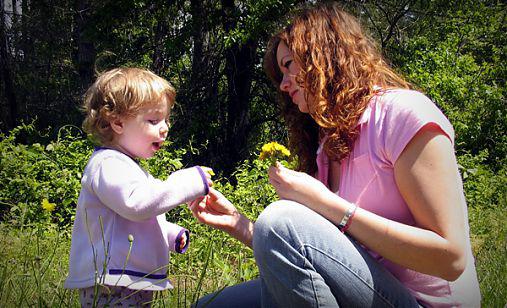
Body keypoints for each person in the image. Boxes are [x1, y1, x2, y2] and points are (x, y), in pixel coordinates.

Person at [189, 2, 481, 307]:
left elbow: (451, 259)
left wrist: (326, 203)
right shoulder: (327, 142)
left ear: (325, 55)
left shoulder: (403, 114)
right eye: (279, 74)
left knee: (281, 220)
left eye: (288, 65)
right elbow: (321, 254)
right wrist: (239, 224)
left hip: (424, 303)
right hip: (367, 290)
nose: (284, 83)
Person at [64, 67, 212, 306]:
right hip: (111, 283)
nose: (165, 128)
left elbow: (137, 219)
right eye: (154, 120)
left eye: (166, 119)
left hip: (127, 280)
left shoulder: (128, 166)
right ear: (118, 123)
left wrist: (170, 235)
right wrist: (188, 182)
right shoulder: (107, 164)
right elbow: (138, 205)